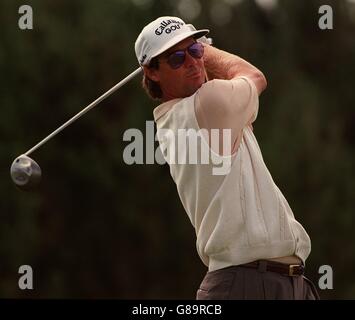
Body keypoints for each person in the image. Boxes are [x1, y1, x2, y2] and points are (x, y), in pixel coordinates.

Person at [135, 16, 320, 300]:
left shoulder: (180, 116)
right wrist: (207, 49)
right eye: (176, 58)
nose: (192, 61)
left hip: (283, 282)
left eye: (194, 51)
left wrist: (191, 51)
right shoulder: (210, 103)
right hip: (247, 284)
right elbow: (255, 76)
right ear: (152, 72)